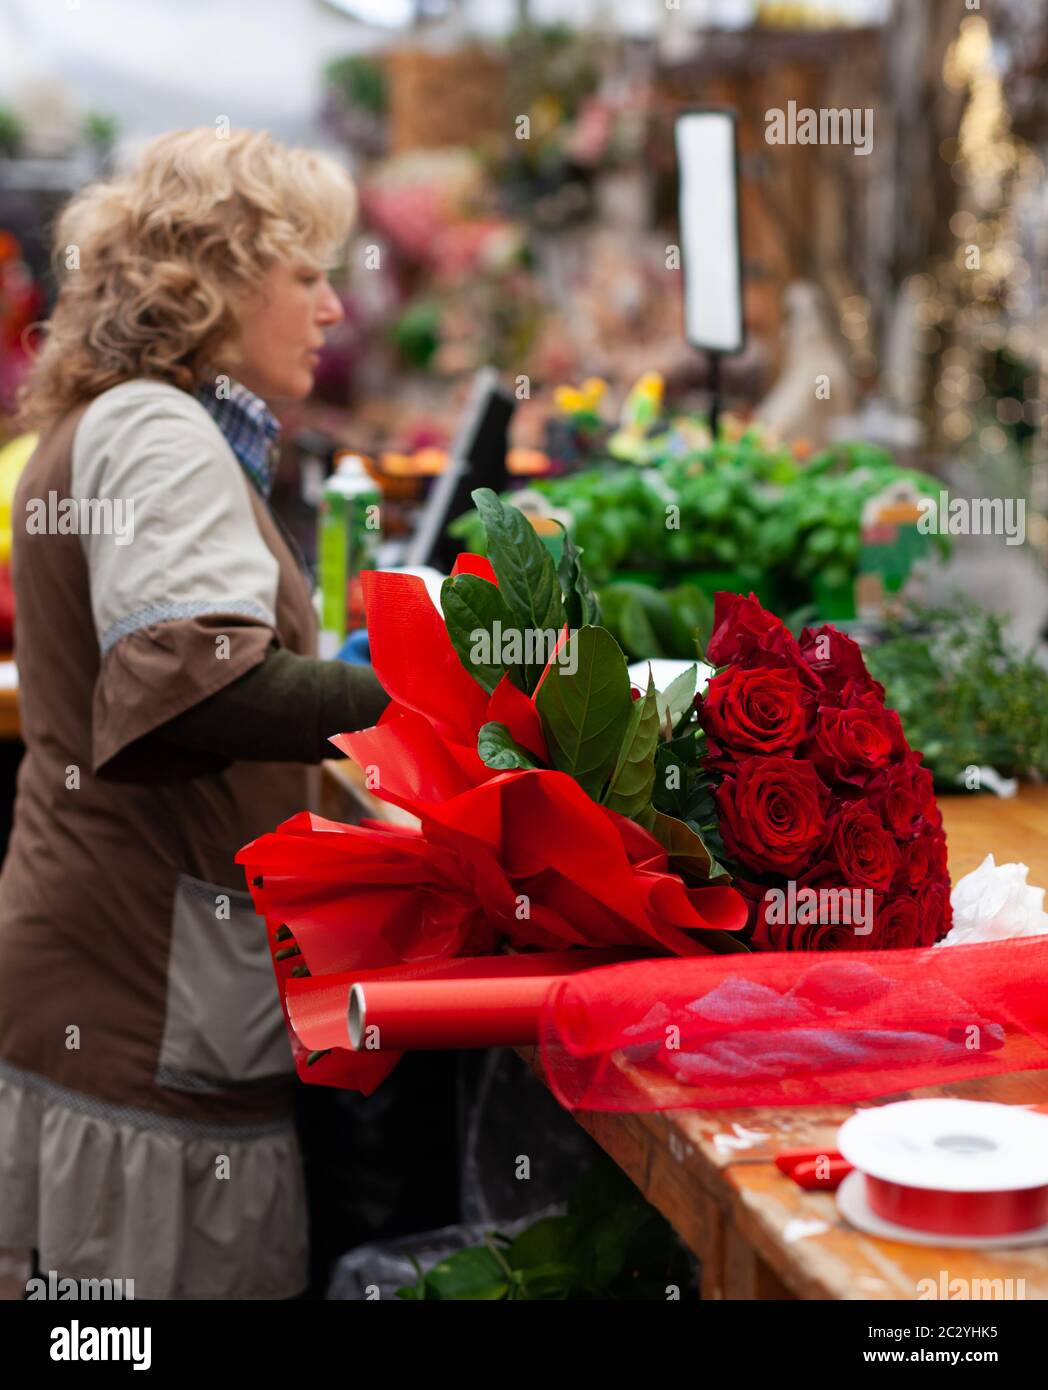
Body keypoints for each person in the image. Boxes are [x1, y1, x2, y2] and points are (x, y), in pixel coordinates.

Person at [0, 128, 390, 1299]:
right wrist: (446, 693)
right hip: (138, 994)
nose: (333, 308)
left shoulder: (131, 420)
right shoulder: (158, 430)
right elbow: (195, 689)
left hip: (110, 969)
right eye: (308, 273)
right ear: (215, 283)